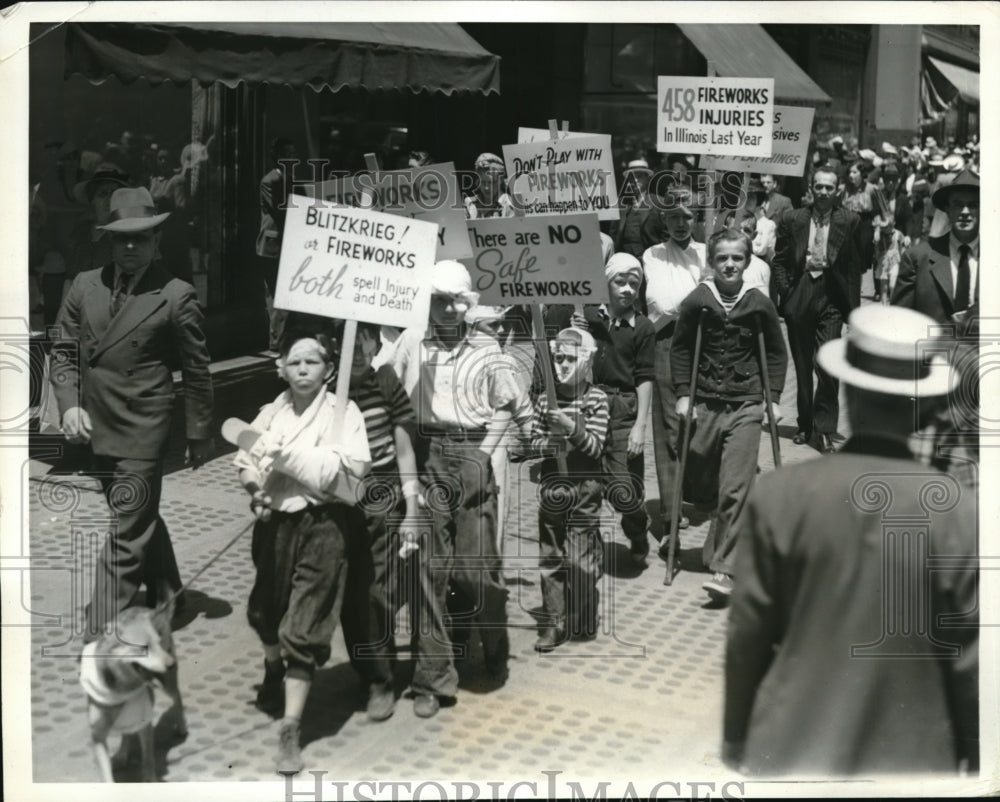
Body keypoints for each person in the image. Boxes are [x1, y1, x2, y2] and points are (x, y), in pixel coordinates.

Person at [723, 305, 978, 776]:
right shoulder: (960, 515)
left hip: (792, 749)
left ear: (849, 391)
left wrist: (737, 734)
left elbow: (748, 636)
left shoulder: (779, 496)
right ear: (922, 404)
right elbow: (969, 661)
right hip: (914, 761)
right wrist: (974, 758)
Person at [50, 186, 215, 642]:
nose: (130, 246)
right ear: (109, 239)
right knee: (138, 517)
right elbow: (63, 352)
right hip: (94, 425)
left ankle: (99, 623)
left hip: (144, 427)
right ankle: (170, 595)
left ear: (156, 242)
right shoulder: (85, 284)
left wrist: (199, 432)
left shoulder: (176, 294)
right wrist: (69, 405)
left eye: (140, 238)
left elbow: (198, 370)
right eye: (121, 238)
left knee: (127, 525)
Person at [383, 260, 533, 717]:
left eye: (456, 301)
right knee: (429, 570)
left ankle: (492, 631)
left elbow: (506, 405)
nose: (447, 309)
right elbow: (392, 397)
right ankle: (432, 677)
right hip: (428, 455)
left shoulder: (488, 347)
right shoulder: (411, 341)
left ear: (468, 304)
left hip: (473, 452)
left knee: (476, 568)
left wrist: (483, 457)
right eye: (438, 300)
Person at [235, 329, 371, 773]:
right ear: (281, 369)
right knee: (265, 612)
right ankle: (273, 667)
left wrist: (286, 457)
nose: (302, 370)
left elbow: (341, 472)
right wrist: (256, 488)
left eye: (311, 362)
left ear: (329, 370)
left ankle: (291, 727)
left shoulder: (343, 413)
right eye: (294, 363)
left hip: (326, 525)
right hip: (275, 522)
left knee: (304, 625)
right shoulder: (269, 413)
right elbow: (247, 461)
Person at [671, 230, 786, 600]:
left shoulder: (759, 303)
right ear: (712, 262)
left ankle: (725, 570)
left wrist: (775, 398)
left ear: (748, 261)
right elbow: (681, 349)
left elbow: (775, 354)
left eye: (737, 258)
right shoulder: (698, 300)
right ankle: (715, 549)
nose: (730, 265)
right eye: (722, 258)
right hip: (705, 401)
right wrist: (683, 395)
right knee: (703, 480)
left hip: (746, 402)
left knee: (735, 488)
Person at [337, 321, 421, 723]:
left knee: (377, 591)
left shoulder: (386, 381)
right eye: (344, 340)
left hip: (383, 496)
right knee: (348, 593)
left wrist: (412, 506)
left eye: (362, 339)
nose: (354, 349)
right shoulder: (326, 389)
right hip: (338, 501)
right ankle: (364, 667)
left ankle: (381, 679)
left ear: (375, 344)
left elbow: (404, 448)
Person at [549, 253, 656, 565]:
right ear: (606, 283)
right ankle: (587, 546)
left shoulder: (643, 328)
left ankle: (637, 527)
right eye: (619, 282)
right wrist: (576, 331)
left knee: (625, 489)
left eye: (633, 284)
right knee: (588, 481)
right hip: (589, 404)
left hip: (623, 409)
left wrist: (640, 426)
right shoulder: (589, 319)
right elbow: (569, 359)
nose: (626, 289)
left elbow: (645, 378)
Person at [526, 327, 610, 650]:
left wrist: (571, 428)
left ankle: (585, 608)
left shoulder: (597, 399)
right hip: (552, 488)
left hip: (586, 488)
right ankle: (555, 622)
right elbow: (533, 443)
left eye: (570, 358)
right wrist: (551, 442)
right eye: (557, 357)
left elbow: (595, 447)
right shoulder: (546, 398)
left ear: (585, 360)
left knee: (580, 559)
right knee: (551, 555)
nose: (562, 364)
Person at [772, 168, 862, 454]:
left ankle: (823, 429)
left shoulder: (849, 220)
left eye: (829, 187)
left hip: (831, 298)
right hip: (800, 294)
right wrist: (787, 292)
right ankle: (804, 423)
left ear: (838, 191)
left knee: (827, 366)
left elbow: (853, 268)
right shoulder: (793, 218)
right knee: (802, 367)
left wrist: (853, 311)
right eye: (819, 187)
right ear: (811, 189)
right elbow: (780, 260)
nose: (824, 192)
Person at [642, 188, 706, 541]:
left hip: (704, 345)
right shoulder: (651, 255)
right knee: (669, 428)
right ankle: (669, 515)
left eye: (688, 216)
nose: (681, 224)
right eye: (674, 217)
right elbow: (660, 302)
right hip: (665, 343)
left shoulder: (708, 256)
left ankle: (698, 491)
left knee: (699, 427)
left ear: (697, 219)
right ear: (663, 220)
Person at [891, 169, 979, 325]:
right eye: (958, 204)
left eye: (973, 205)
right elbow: (899, 323)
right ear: (947, 209)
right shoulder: (917, 258)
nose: (965, 212)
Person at [257, 137, 300, 351]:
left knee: (283, 295)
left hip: (287, 244)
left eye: (294, 154)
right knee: (276, 295)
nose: (293, 158)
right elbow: (279, 210)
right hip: (273, 245)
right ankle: (276, 342)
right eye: (288, 154)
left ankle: (279, 340)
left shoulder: (290, 179)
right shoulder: (270, 180)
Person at [613, 159, 663, 259]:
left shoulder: (659, 202)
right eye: (631, 178)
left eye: (639, 176)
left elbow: (666, 235)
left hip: (652, 258)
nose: (635, 180)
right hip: (624, 258)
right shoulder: (621, 204)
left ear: (647, 179)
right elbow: (613, 232)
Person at [464, 152, 515, 219]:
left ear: (501, 180)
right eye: (483, 182)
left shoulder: (510, 205)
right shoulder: (469, 203)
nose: (486, 188)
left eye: (492, 183)